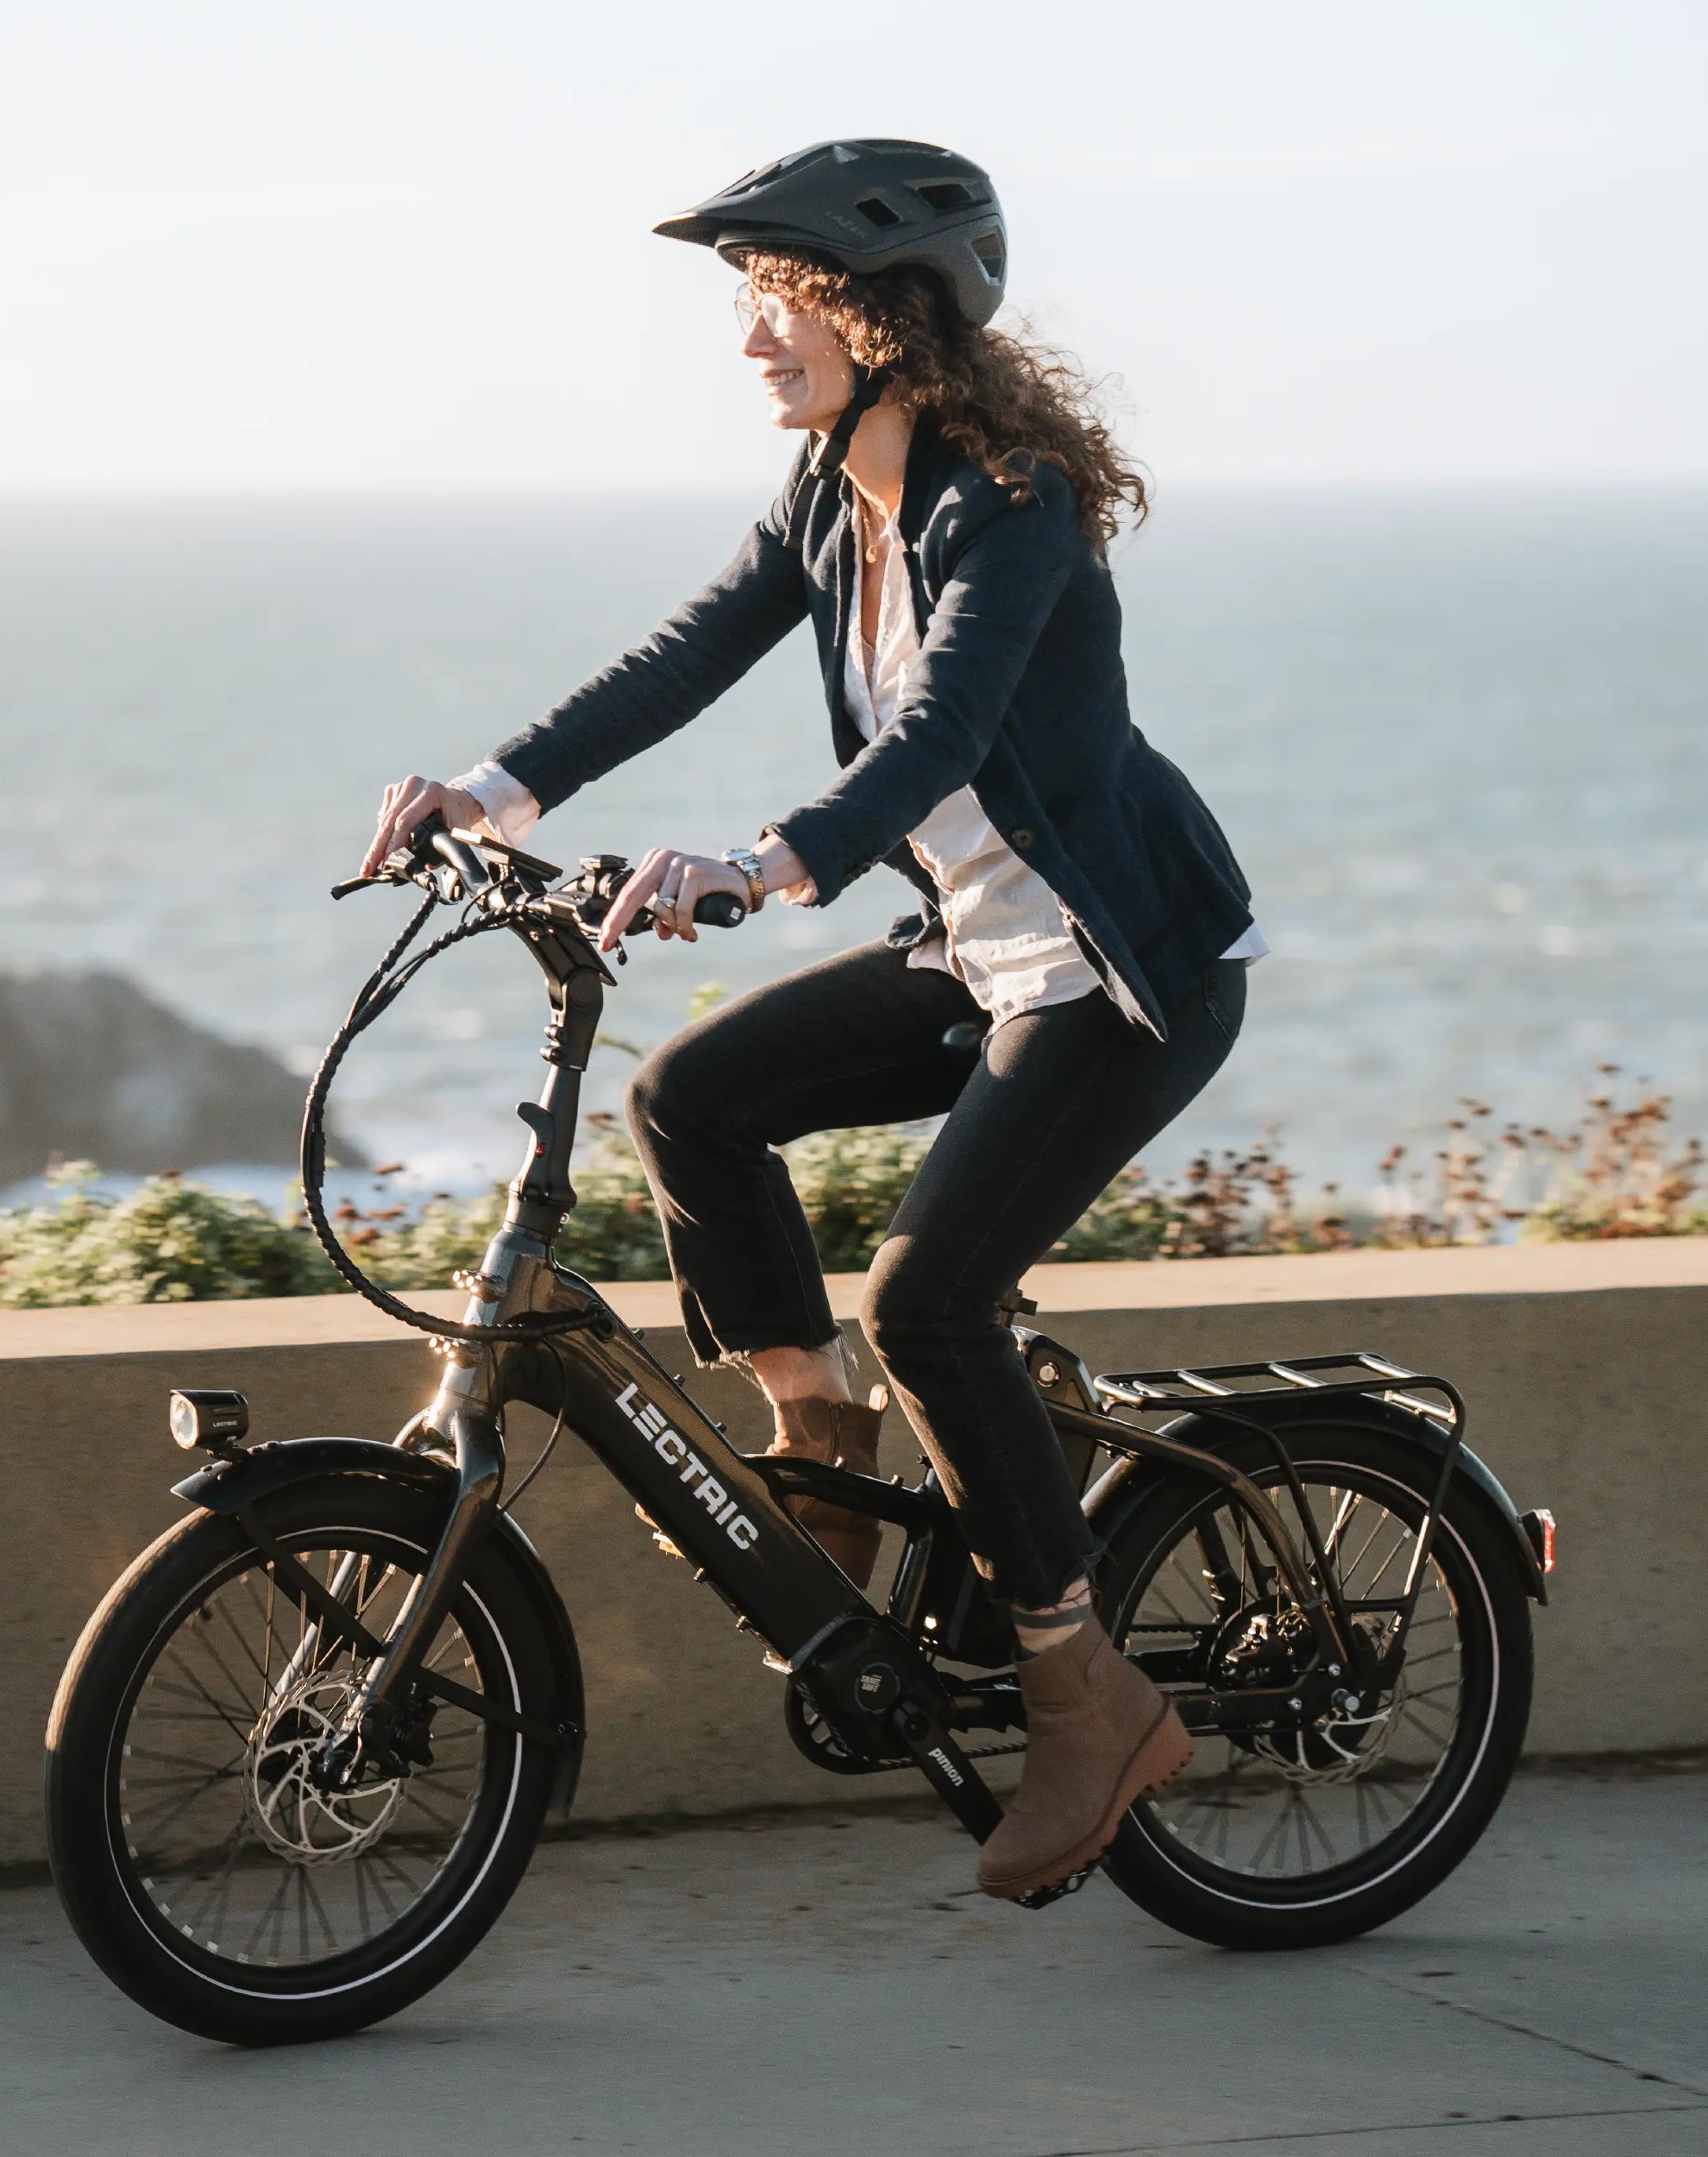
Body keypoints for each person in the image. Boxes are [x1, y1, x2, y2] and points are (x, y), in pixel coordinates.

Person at [361, 139, 1265, 1902]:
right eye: (749, 303)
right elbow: (690, 649)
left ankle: (1088, 1692)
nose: (754, 336)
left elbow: (938, 728)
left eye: (784, 301)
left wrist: (766, 863)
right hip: (978, 951)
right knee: (693, 1096)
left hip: (1116, 969)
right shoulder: (827, 495)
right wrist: (489, 791)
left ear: (884, 313)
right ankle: (819, 1430)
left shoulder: (1003, 495)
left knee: (927, 1295)